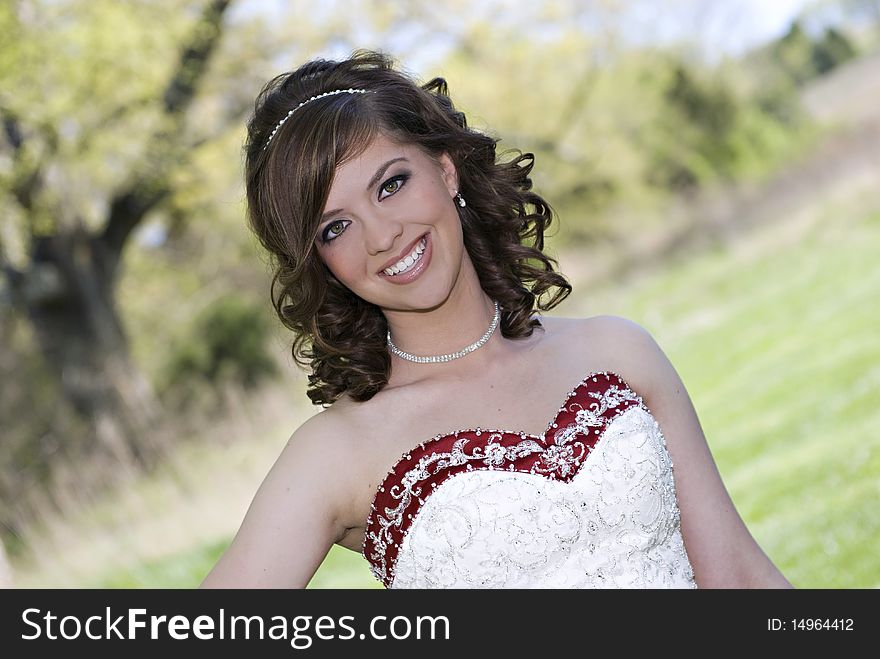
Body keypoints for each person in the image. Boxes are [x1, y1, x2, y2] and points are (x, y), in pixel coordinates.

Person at [200, 49, 792, 589]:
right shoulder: (339, 453)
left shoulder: (618, 351)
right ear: (321, 262)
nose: (382, 236)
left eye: (391, 184)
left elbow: (738, 578)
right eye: (336, 227)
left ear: (446, 169)